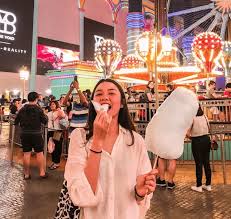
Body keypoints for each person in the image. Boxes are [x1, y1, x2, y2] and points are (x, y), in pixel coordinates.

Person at [64, 79, 157, 219]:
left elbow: (141, 199)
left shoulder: (135, 141)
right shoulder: (79, 138)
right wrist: (97, 141)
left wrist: (140, 192)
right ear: (93, 103)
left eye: (112, 93)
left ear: (121, 103)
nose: (105, 97)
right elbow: (80, 196)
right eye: (99, 93)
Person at [14, 92, 48, 179]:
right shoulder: (39, 109)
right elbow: (45, 121)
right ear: (36, 99)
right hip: (36, 134)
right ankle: (41, 172)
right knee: (39, 153)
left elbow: (16, 121)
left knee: (26, 153)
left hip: (25, 134)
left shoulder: (22, 109)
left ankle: (26, 174)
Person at [187, 105, 212, 192]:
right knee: (207, 163)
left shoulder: (192, 118)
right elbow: (209, 128)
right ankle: (208, 185)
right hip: (206, 139)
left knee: (199, 163)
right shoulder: (205, 116)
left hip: (197, 141)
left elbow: (188, 133)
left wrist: (190, 136)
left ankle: (199, 186)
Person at [47, 101, 66, 170]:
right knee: (51, 147)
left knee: (57, 147)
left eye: (53, 104)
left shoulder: (60, 111)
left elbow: (63, 117)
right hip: (50, 131)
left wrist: (60, 111)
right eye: (51, 104)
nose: (52, 105)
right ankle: (53, 161)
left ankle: (57, 163)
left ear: (56, 105)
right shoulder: (49, 113)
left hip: (58, 131)